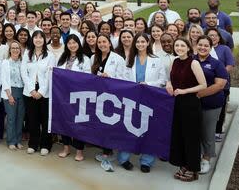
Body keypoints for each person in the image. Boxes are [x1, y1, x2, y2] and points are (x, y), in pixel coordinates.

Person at [118, 33, 167, 172]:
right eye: (137, 42)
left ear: (148, 43)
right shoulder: (129, 59)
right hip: (132, 98)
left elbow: (162, 80)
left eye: (142, 41)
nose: (140, 44)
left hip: (150, 99)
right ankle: (123, 158)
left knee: (149, 130)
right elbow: (123, 78)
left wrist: (148, 84)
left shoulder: (156, 60)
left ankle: (146, 161)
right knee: (129, 128)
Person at [167, 37, 208, 182]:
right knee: (179, 135)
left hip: (190, 104)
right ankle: (184, 164)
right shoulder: (174, 61)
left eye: (182, 45)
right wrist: (168, 84)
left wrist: (185, 91)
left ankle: (193, 168)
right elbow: (170, 78)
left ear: (189, 48)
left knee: (191, 137)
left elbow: (203, 85)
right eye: (177, 45)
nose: (179, 48)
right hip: (177, 104)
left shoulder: (194, 63)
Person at [92, 33, 127, 171]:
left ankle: (108, 152)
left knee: (109, 124)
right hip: (98, 95)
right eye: (99, 42)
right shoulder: (94, 58)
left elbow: (123, 77)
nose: (101, 44)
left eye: (104, 42)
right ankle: (105, 150)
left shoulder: (118, 58)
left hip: (112, 97)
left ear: (110, 43)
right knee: (100, 123)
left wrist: (110, 76)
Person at [194, 36, 229, 175]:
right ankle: (195, 156)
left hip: (211, 104)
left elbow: (220, 84)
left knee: (207, 132)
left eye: (206, 45)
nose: (203, 48)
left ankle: (206, 159)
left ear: (210, 47)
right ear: (196, 45)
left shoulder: (216, 64)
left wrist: (199, 94)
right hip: (191, 104)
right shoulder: (191, 60)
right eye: (200, 45)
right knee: (194, 131)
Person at [55, 34, 91, 159]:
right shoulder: (62, 58)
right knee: (64, 121)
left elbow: (87, 77)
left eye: (74, 42)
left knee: (77, 123)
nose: (72, 45)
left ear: (78, 44)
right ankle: (66, 148)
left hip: (78, 95)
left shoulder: (85, 59)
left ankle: (79, 150)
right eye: (69, 43)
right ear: (67, 45)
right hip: (63, 95)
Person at [21, 30, 54, 155]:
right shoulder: (27, 54)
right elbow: (23, 72)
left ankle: (46, 145)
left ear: (44, 40)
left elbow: (49, 74)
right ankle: (33, 144)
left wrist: (40, 91)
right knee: (32, 119)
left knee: (45, 119)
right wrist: (31, 90)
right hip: (30, 90)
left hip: (44, 91)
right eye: (36, 37)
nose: (38, 39)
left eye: (41, 37)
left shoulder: (50, 55)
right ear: (32, 39)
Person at [206, 27, 234, 140]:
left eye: (215, 35)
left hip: (222, 84)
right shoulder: (203, 48)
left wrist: (219, 76)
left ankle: (217, 131)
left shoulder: (224, 49)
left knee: (220, 108)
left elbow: (230, 65)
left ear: (219, 37)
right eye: (210, 35)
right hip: (206, 85)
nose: (212, 37)